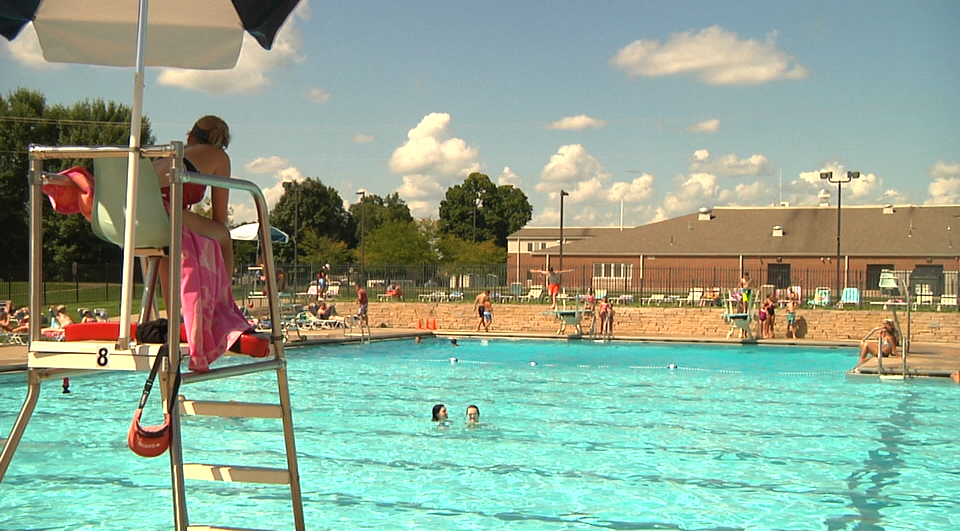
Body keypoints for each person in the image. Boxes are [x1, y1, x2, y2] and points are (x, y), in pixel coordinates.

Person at [153, 115, 234, 276]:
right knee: (223, 236)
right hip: (163, 211)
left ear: (190, 135)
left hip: (135, 212)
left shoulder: (169, 153)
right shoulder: (219, 157)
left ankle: (171, 302)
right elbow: (219, 218)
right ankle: (224, 298)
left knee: (167, 243)